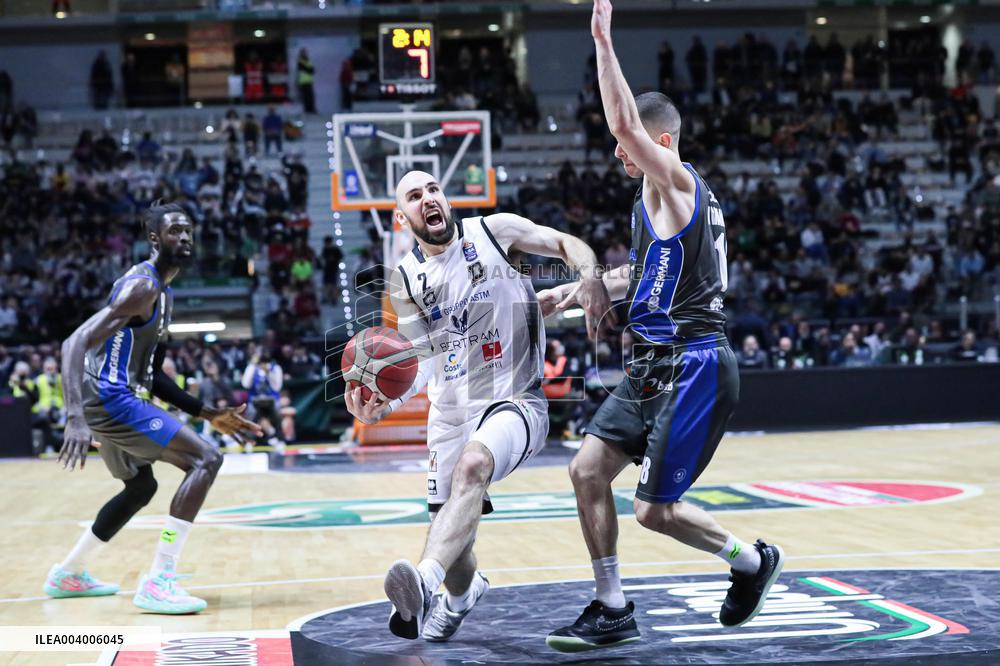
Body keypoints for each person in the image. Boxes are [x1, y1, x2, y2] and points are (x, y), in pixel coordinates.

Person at [541, 1, 784, 652]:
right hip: (651, 365)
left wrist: (601, 39)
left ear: (661, 144)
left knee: (654, 511)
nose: (619, 153)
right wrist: (567, 293)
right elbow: (638, 276)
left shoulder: (678, 183)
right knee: (587, 470)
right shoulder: (650, 206)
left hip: (695, 364)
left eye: (629, 146)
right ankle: (611, 606)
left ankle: (752, 563)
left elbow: (622, 119)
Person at [345, 169, 611, 643]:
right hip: (448, 413)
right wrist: (385, 406)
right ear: (402, 217)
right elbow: (419, 359)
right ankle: (460, 596)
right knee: (455, 550)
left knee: (474, 465)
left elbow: (565, 242)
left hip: (515, 398)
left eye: (433, 189)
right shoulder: (406, 277)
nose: (429, 198)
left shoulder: (494, 231)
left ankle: (423, 585)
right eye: (415, 195)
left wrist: (589, 276)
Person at [45, 202, 262, 614]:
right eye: (174, 231)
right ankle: (160, 579)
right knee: (206, 460)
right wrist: (74, 418)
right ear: (154, 239)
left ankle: (68, 572)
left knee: (141, 487)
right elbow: (73, 343)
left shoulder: (165, 294)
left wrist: (206, 412)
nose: (183, 237)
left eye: (188, 231)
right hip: (109, 399)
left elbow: (154, 372)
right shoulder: (141, 287)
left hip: (118, 397)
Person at [296, 48, 316, 114]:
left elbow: (312, 70)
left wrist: (308, 69)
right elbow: (309, 70)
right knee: (306, 97)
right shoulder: (300, 61)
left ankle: (311, 110)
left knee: (311, 97)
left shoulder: (308, 60)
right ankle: (307, 110)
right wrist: (309, 69)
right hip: (303, 82)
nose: (305, 54)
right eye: (303, 52)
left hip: (309, 81)